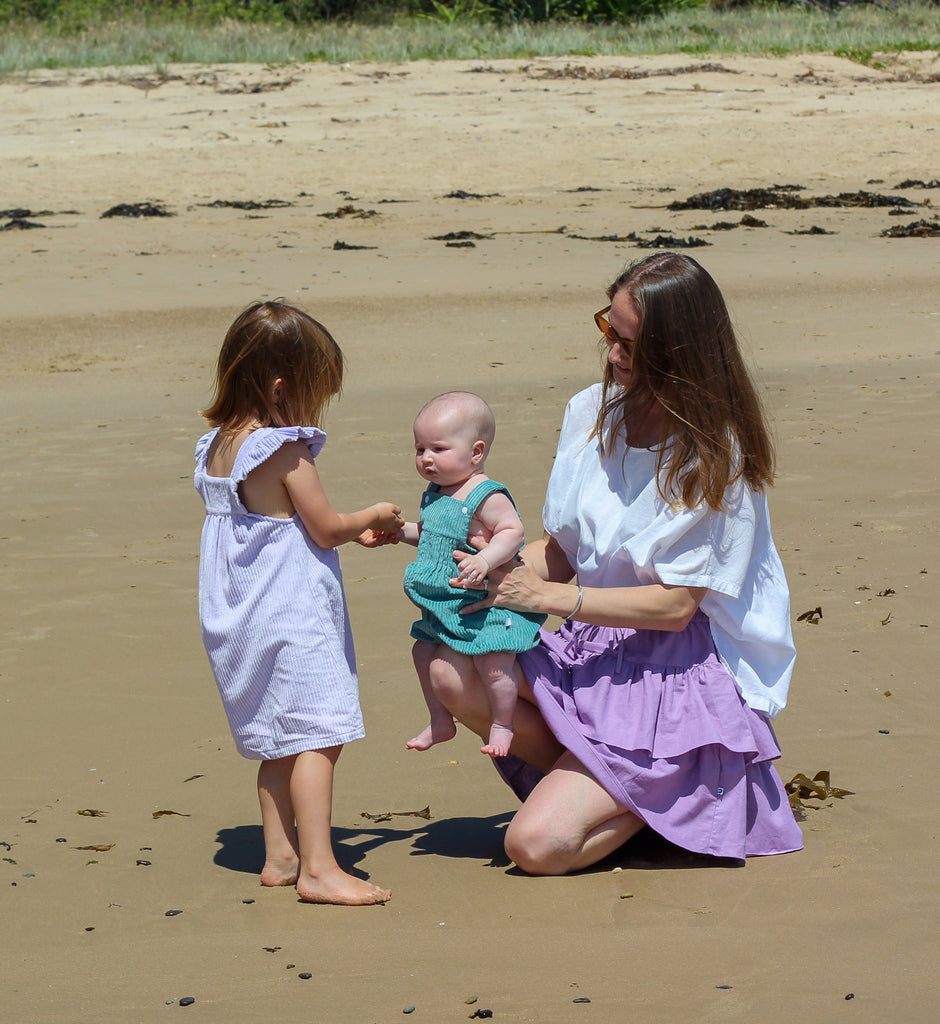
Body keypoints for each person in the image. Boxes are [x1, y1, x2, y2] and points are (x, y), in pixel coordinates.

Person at [425, 253, 804, 875]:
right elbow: (565, 552)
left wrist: (543, 600)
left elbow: (676, 608)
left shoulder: (716, 454)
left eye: (628, 344)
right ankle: (635, 791)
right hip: (595, 641)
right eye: (610, 331)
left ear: (677, 354)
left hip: (684, 670)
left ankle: (659, 789)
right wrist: (474, 570)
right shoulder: (590, 413)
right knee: (448, 668)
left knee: (534, 848)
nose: (612, 355)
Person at [194, 299, 403, 905]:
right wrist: (371, 516)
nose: (318, 408)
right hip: (290, 608)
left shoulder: (215, 448)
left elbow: (265, 521)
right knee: (317, 732)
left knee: (275, 736)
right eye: (316, 393)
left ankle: (280, 855)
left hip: (240, 612)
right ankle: (318, 868)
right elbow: (323, 526)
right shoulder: (284, 448)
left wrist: (337, 527)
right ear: (283, 388)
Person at [398, 392, 545, 757]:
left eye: (439, 449)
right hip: (448, 600)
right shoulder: (436, 493)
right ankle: (440, 721)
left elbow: (513, 532)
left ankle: (503, 724)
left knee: (493, 665)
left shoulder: (485, 494)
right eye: (420, 449)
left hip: (485, 604)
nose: (426, 458)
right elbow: (434, 534)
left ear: (476, 452)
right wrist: (399, 533)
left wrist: (486, 560)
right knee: (421, 652)